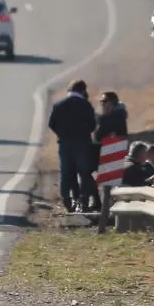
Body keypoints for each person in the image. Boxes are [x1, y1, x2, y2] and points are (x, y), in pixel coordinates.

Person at [47, 79, 97, 213]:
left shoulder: (59, 105)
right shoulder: (86, 105)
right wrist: (83, 133)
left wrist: (62, 134)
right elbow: (92, 125)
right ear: (83, 90)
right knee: (84, 172)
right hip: (82, 144)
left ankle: (67, 200)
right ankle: (84, 200)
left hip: (65, 144)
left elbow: (52, 124)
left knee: (66, 172)